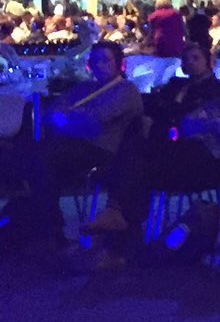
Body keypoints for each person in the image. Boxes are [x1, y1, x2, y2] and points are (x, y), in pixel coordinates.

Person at [92, 50, 220, 238]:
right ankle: (122, 226)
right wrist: (214, 124)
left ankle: (121, 224)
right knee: (139, 156)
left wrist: (208, 124)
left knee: (138, 163)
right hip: (194, 153)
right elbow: (187, 124)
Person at [0, 40, 144, 246]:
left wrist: (69, 118)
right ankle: (42, 224)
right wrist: (71, 119)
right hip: (70, 144)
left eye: (105, 60)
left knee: (42, 157)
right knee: (29, 154)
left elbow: (95, 121)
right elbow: (52, 114)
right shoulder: (84, 88)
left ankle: (51, 229)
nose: (99, 65)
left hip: (100, 150)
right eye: (95, 61)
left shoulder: (125, 91)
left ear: (118, 63)